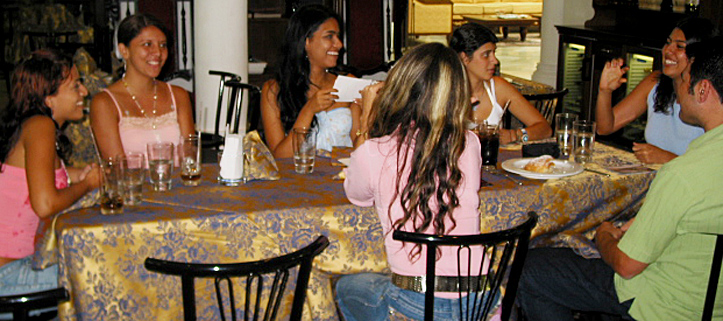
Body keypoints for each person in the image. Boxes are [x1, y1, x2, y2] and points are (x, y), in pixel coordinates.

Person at [516, 38, 723, 321]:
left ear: (702, 89)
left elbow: (626, 265)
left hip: (664, 302)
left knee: (529, 267)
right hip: (710, 298)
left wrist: (604, 238)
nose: (679, 90)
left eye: (685, 81)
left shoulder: (683, 173)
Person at [335, 43, 485, 320]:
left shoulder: (373, 151)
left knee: (345, 286)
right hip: (479, 298)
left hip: (419, 301)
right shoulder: (469, 143)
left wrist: (368, 118)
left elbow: (357, 196)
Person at [0, 49, 100, 297]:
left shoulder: (32, 124)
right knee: (106, 271)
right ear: (49, 99)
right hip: (9, 274)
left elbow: (40, 176)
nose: (84, 92)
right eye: (75, 86)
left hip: (22, 264)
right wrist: (87, 185)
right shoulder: (41, 126)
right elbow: (45, 205)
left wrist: (80, 175)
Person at [595, 17, 717, 164]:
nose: (667, 50)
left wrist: (667, 159)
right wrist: (605, 91)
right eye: (668, 42)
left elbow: (713, 167)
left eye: (679, 47)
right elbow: (604, 128)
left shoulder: (709, 98)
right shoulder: (655, 82)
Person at [90, 13, 195, 161]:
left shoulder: (178, 95)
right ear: (124, 50)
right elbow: (118, 170)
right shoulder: (105, 103)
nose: (158, 53)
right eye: (147, 44)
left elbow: (189, 158)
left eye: (162, 45)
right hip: (131, 184)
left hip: (178, 183)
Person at [260, 4, 361, 158]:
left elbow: (359, 149)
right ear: (306, 42)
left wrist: (369, 113)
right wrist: (309, 110)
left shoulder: (347, 83)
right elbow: (280, 157)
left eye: (338, 36)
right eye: (329, 36)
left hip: (341, 175)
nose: (339, 44)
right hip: (299, 178)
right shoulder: (274, 90)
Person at [449, 22, 551, 145]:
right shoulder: (446, 91)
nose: (495, 61)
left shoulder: (498, 88)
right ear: (465, 58)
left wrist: (516, 135)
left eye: (494, 53)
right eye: (486, 55)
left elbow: (545, 129)